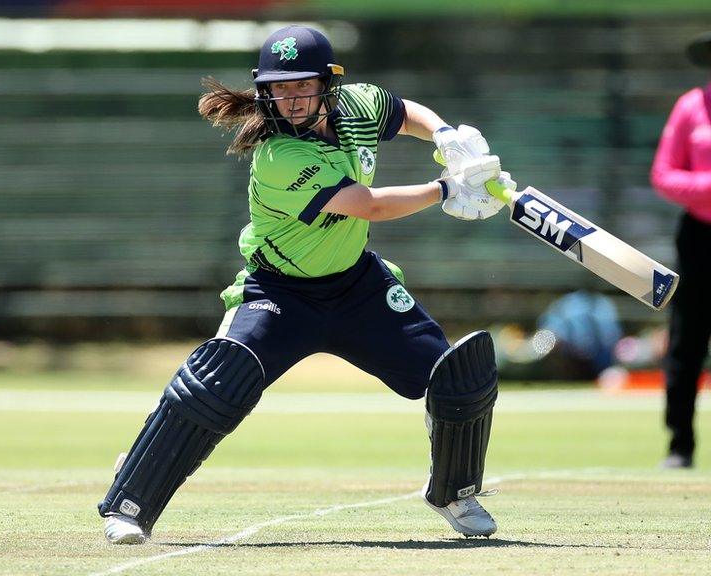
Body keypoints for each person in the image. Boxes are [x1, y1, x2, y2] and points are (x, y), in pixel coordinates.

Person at [97, 25, 515, 544]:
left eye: (301, 85)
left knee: (457, 378)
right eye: (279, 87)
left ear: (327, 83)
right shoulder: (278, 156)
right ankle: (132, 496)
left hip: (358, 287)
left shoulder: (358, 107)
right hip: (279, 293)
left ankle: (455, 492)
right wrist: (448, 187)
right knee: (217, 384)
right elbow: (369, 205)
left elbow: (405, 112)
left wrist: (448, 136)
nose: (290, 98)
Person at [650, 31, 711, 470]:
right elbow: (664, 173)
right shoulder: (692, 106)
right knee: (688, 339)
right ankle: (680, 443)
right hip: (699, 236)